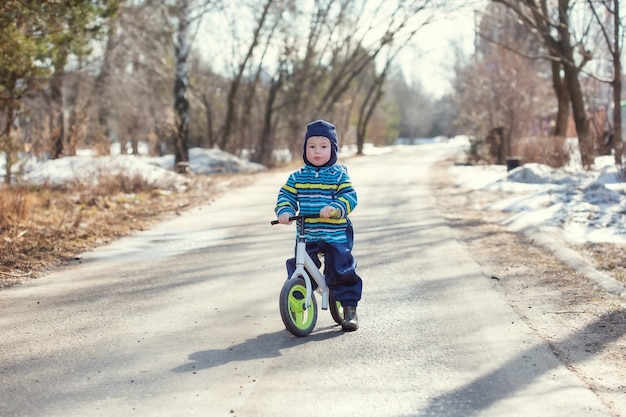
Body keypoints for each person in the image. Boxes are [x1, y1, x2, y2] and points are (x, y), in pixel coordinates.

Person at [275, 119, 362, 332]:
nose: (316, 152)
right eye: (311, 146)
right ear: (305, 149)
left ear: (332, 150)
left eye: (323, 147)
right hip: (308, 233)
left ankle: (349, 308)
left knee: (340, 268)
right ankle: (297, 296)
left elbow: (350, 196)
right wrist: (285, 211)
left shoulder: (339, 175)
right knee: (299, 264)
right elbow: (286, 194)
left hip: (336, 233)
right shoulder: (297, 177)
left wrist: (335, 208)